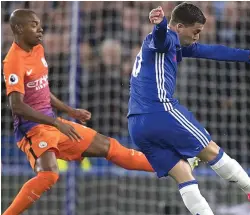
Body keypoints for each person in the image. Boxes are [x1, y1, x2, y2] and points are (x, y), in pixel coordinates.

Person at [127, 3, 250, 215]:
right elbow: (160, 37)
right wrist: (161, 23)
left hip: (136, 125)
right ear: (179, 27)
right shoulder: (167, 38)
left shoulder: (173, 44)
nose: (198, 36)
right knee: (210, 149)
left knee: (184, 175)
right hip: (160, 111)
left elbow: (211, 51)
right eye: (196, 31)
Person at [2, 9, 157, 215]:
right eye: (33, 25)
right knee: (49, 175)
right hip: (33, 130)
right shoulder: (13, 61)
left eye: (39, 23)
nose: (40, 28)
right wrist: (56, 122)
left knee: (110, 147)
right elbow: (17, 106)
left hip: (52, 122)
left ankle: (168, 165)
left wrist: (70, 111)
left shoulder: (37, 49)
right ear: (19, 29)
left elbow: (41, 90)